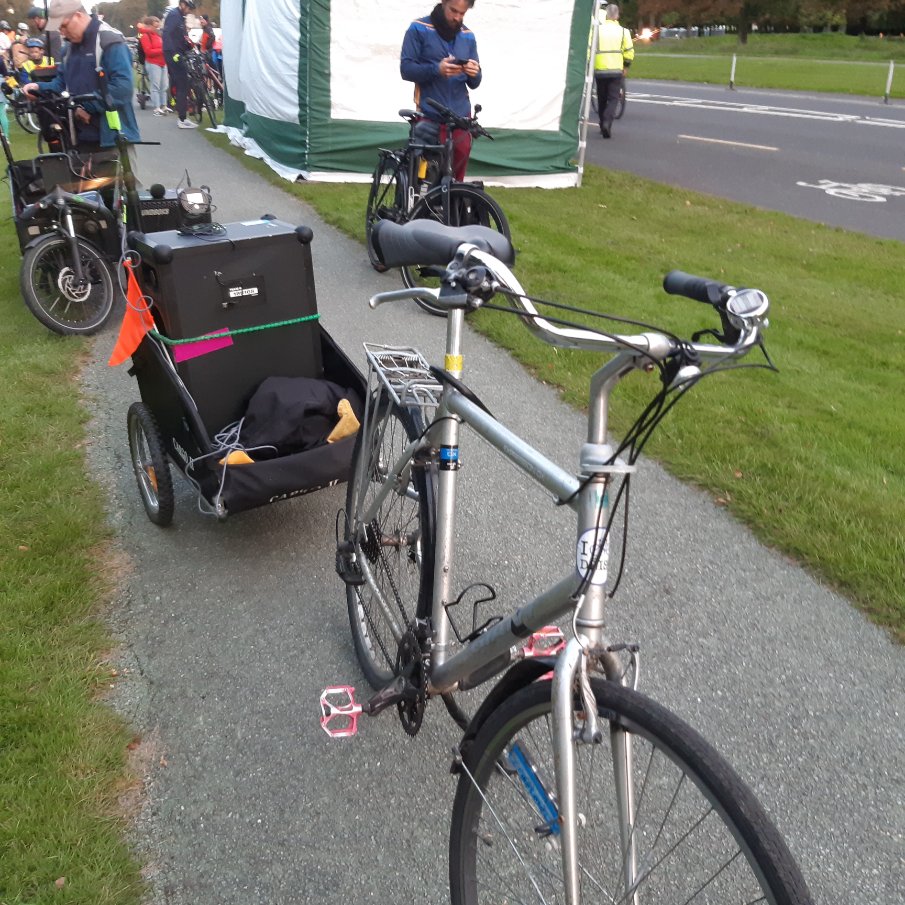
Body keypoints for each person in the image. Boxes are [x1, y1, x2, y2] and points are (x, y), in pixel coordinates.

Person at [21, 0, 140, 154]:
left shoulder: (109, 41)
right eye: (59, 28)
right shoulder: (68, 50)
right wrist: (38, 88)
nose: (62, 32)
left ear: (77, 15)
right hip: (79, 138)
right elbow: (62, 84)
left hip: (113, 137)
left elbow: (123, 88)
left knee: (121, 179)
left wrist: (86, 106)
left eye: (64, 26)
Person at [400, 0, 481, 182]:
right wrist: (437, 69)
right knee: (420, 178)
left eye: (462, 13)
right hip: (430, 116)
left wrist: (475, 73)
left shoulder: (468, 36)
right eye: (453, 11)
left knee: (454, 182)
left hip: (460, 120)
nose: (457, 17)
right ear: (443, 2)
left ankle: (451, 210)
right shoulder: (418, 29)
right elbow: (406, 69)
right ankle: (412, 207)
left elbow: (475, 83)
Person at [593, 3, 633, 139]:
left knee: (602, 98)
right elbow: (629, 52)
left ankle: (601, 123)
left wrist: (589, 65)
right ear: (617, 15)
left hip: (599, 69)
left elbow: (589, 49)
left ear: (606, 15)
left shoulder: (596, 30)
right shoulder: (623, 31)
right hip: (616, 70)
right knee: (614, 98)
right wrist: (626, 66)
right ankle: (607, 122)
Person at [163, 0, 198, 130]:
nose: (189, 11)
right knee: (182, 84)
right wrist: (172, 53)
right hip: (174, 55)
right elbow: (167, 34)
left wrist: (189, 46)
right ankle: (182, 119)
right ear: (183, 5)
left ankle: (183, 117)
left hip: (178, 53)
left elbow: (181, 37)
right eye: (188, 8)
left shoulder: (179, 16)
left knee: (183, 84)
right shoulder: (174, 15)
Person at [138, 16, 169, 116]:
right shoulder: (145, 35)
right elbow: (148, 51)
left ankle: (164, 106)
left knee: (164, 86)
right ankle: (157, 107)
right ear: (150, 24)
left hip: (163, 62)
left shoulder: (159, 35)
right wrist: (162, 50)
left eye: (158, 21)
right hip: (153, 63)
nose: (158, 23)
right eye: (156, 21)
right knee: (155, 86)